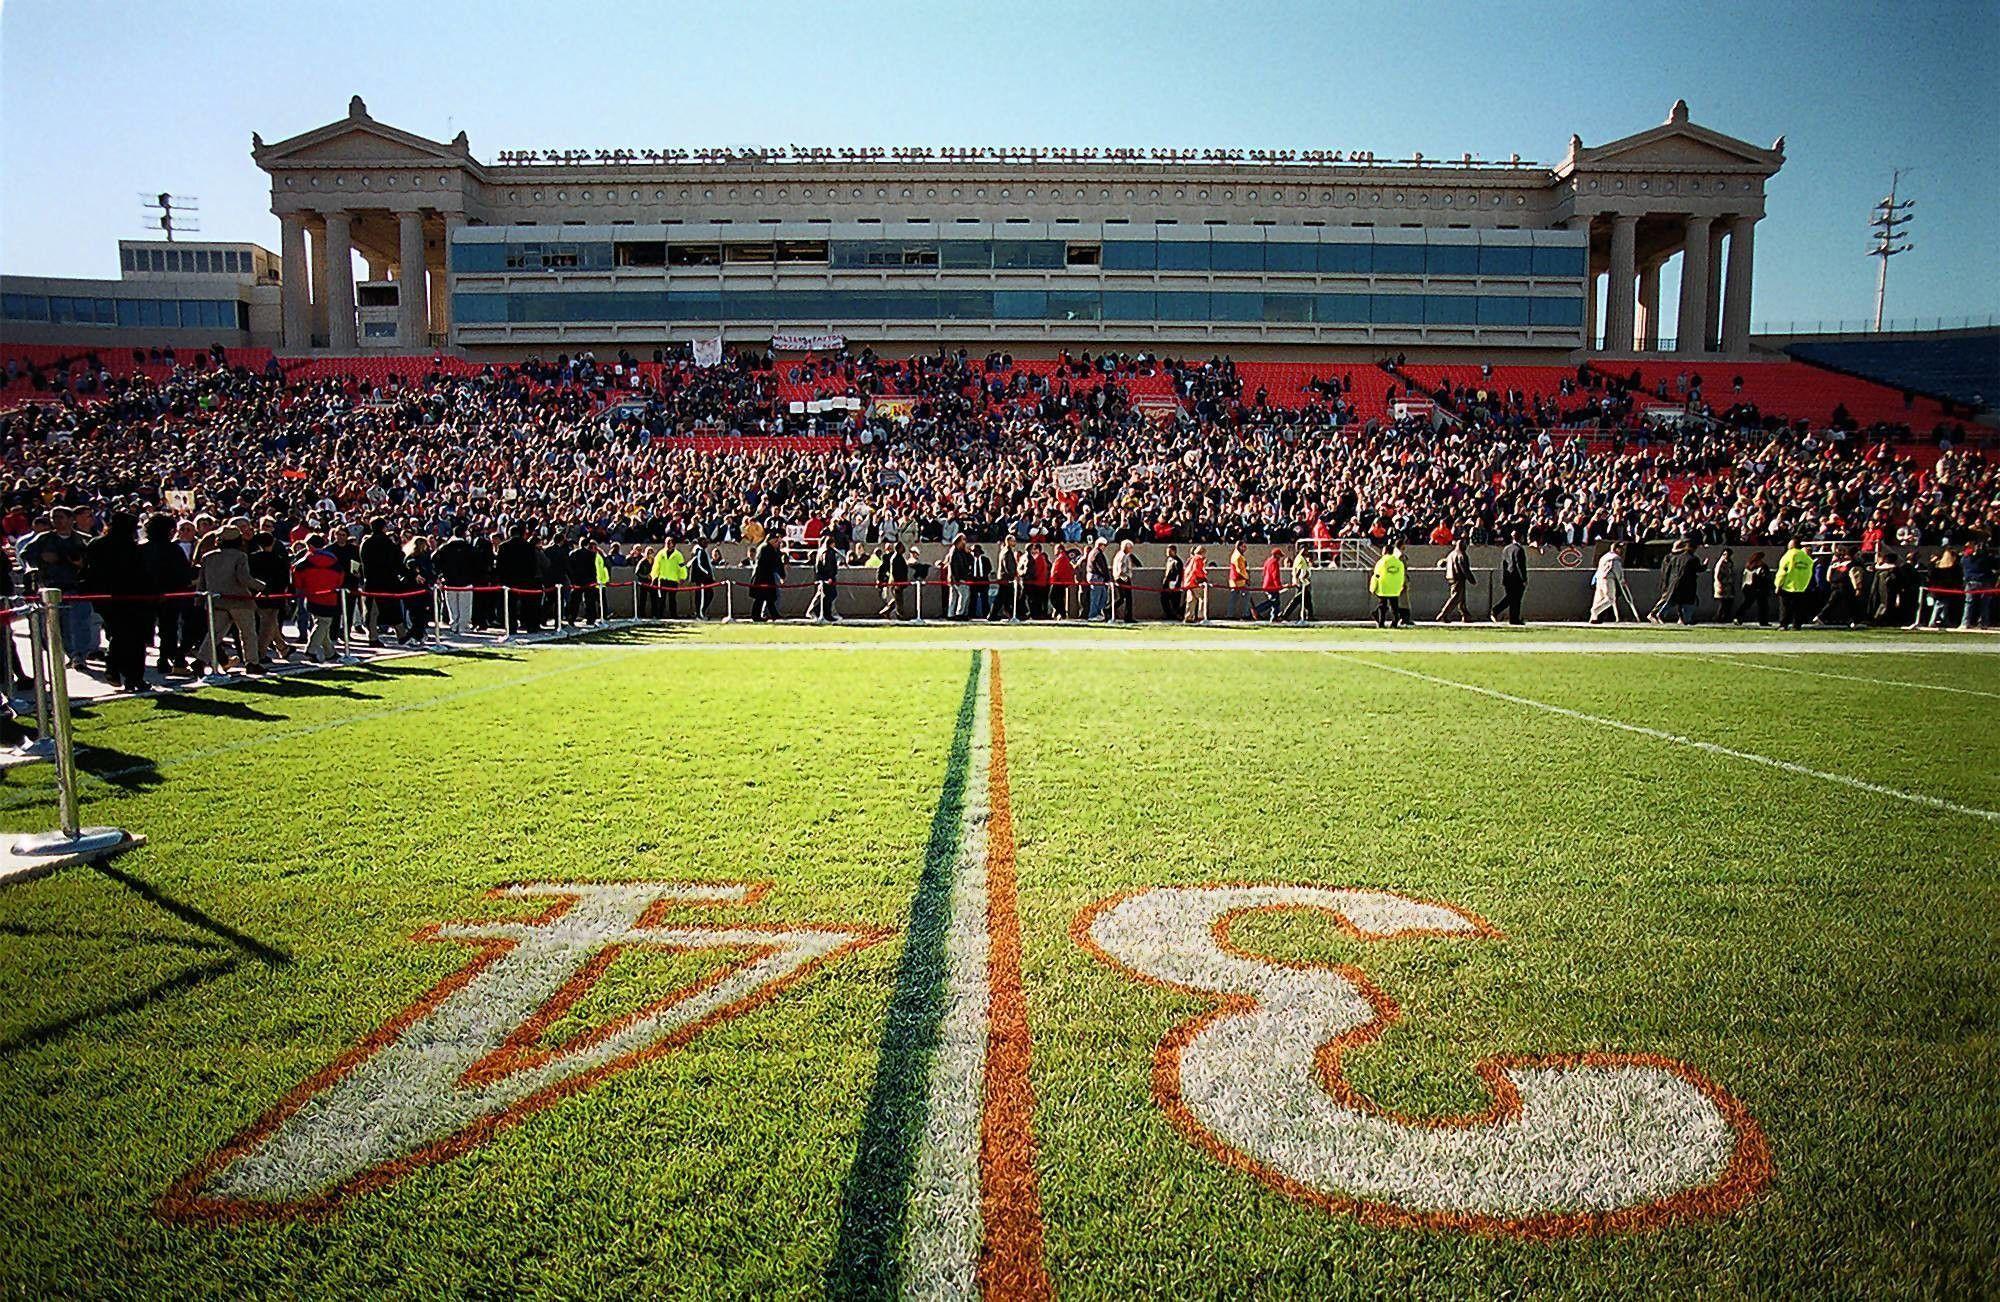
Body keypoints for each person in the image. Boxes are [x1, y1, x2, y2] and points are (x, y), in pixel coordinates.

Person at [78, 511, 154, 692]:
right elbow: (140, 574)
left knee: (118, 635)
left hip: (104, 598)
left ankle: (116, 670)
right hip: (130, 598)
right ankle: (133, 677)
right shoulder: (130, 547)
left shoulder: (96, 544)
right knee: (134, 640)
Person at [195, 524, 264, 674]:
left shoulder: (208, 557)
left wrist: (199, 599)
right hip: (239, 600)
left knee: (215, 634)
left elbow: (202, 581)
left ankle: (200, 660)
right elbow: (244, 578)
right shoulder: (240, 556)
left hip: (217, 600)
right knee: (248, 633)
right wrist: (262, 587)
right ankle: (252, 663)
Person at [140, 511, 196, 677]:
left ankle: (142, 659)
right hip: (169, 594)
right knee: (168, 629)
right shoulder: (174, 550)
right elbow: (184, 574)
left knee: (145, 628)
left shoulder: (141, 549)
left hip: (145, 595)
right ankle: (165, 658)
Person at [293, 534, 346, 662]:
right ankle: (311, 650)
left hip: (311, 596)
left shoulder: (304, 562)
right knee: (323, 624)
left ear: (310, 546)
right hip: (330, 596)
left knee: (321, 624)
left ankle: (329, 652)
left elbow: (297, 581)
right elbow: (341, 578)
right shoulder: (334, 560)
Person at [360, 517, 411, 646]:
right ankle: (401, 634)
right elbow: (398, 563)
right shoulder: (388, 543)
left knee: (372, 611)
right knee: (393, 609)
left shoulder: (365, 543)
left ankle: (373, 637)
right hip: (388, 581)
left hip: (371, 581)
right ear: (384, 528)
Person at [435, 527, 478, 635]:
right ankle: (464, 627)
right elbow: (476, 565)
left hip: (450, 581)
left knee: (452, 606)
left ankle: (454, 625)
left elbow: (435, 560)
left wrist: (442, 575)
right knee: (465, 607)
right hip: (466, 581)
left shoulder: (445, 548)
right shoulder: (470, 548)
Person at [1652, 538, 1701, 625]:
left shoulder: (1676, 558)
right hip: (1688, 584)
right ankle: (1686, 619)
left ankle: (1661, 613)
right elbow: (1698, 569)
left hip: (1675, 583)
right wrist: (1704, 566)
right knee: (1688, 603)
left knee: (1671, 601)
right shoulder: (1693, 559)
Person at [1775, 538, 1815, 630]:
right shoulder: (1806, 558)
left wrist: (1778, 585)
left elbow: (1783, 571)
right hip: (1801, 586)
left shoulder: (1789, 555)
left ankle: (1783, 625)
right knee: (1798, 608)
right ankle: (1797, 625)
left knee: (1785, 607)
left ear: (1792, 545)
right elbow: (1809, 572)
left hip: (1787, 585)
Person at [1491, 531, 1528, 625]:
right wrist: (1524, 579)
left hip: (1508, 577)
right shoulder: (1519, 549)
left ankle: (1513, 618)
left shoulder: (1506, 549)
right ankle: (1500, 612)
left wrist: (1504, 578)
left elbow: (1504, 564)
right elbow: (1520, 565)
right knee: (1516, 599)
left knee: (1511, 598)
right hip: (1516, 578)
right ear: (1520, 538)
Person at [1369, 541, 1410, 628]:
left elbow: (1376, 575)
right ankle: (1395, 623)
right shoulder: (1399, 562)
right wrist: (1401, 585)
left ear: (1385, 551)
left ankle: (1381, 623)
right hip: (1395, 588)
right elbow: (1402, 575)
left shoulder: (1382, 561)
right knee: (1394, 606)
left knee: (1382, 606)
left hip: (1383, 587)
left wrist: (1373, 587)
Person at [1589, 543, 1631, 624]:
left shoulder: (1604, 557)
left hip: (1599, 578)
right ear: (1617, 549)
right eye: (1620, 548)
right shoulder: (1615, 558)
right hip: (1608, 579)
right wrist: (1621, 579)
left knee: (1599, 599)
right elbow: (1617, 570)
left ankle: (1594, 618)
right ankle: (1595, 610)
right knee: (1610, 599)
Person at [750, 531, 785, 622]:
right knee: (761, 598)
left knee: (767, 597)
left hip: (764, 576)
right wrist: (781, 574)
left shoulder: (766, 547)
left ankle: (773, 615)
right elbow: (773, 563)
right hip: (763, 577)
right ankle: (756, 615)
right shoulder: (766, 548)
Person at [1436, 539, 1473, 623]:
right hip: (1458, 577)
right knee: (1456, 597)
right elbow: (1464, 568)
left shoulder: (1451, 554)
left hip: (1450, 577)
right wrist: (1471, 579)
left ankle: (1465, 615)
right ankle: (1443, 614)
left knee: (1461, 598)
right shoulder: (1461, 555)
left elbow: (1444, 562)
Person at [808, 535, 841, 623]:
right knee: (829, 595)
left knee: (826, 595)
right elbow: (828, 565)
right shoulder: (828, 552)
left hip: (823, 576)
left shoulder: (822, 551)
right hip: (827, 577)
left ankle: (821, 612)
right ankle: (822, 612)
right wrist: (829, 577)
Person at [1737, 552, 1773, 626]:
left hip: (1749, 588)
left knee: (1747, 604)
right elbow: (1765, 578)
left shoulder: (1748, 567)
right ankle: (1763, 621)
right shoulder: (1762, 567)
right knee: (1762, 606)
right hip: (1759, 589)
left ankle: (1738, 617)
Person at [1284, 543, 1315, 623]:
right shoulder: (1300, 559)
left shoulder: (1302, 558)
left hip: (1305, 582)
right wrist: (1300, 579)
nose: (1306, 551)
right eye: (1305, 550)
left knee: (1307, 601)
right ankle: (1284, 615)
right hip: (1302, 583)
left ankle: (1310, 616)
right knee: (1297, 600)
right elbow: (1299, 571)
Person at [1112, 540, 1138, 623]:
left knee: (1122, 598)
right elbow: (1121, 569)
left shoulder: (1120, 555)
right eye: (1130, 548)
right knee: (1127, 598)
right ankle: (1127, 617)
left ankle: (1110, 610)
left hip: (1120, 577)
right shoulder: (1123, 556)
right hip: (1123, 578)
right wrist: (1126, 578)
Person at [1712, 547, 1738, 624]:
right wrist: (1719, 584)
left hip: (1729, 585)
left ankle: (1725, 617)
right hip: (1722, 585)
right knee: (1723, 603)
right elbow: (1717, 575)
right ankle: (1718, 617)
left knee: (1728, 602)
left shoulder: (1730, 563)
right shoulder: (1721, 563)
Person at [1258, 546, 1284, 622]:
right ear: (1276, 555)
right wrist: (1278, 586)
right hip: (1271, 585)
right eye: (1280, 556)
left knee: (1275, 601)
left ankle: (1274, 617)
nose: (1280, 558)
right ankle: (1258, 610)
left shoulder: (1268, 561)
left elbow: (1264, 573)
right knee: (1273, 601)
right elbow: (1275, 575)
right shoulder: (1274, 562)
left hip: (1267, 584)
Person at [1183, 545, 1209, 623]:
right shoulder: (1198, 559)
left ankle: (1188, 617)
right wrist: (1203, 579)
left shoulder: (1191, 559)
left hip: (1189, 582)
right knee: (1202, 598)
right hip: (1195, 582)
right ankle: (1201, 616)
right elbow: (1197, 570)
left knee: (1191, 600)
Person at [1160, 545, 1185, 623]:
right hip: (1167, 583)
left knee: (1175, 601)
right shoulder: (1169, 560)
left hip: (1174, 584)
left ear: (1174, 551)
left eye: (1169, 551)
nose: (1167, 553)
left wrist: (1177, 585)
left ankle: (1176, 615)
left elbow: (1179, 574)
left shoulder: (1178, 562)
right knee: (1164, 599)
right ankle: (1168, 614)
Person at [1227, 541, 1251, 620]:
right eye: (1243, 547)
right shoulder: (1238, 556)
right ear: (1239, 546)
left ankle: (1230, 615)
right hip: (1238, 580)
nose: (1245, 548)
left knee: (1233, 598)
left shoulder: (1235, 555)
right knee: (1246, 596)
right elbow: (1240, 570)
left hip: (1235, 580)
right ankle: (1245, 614)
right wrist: (1247, 578)